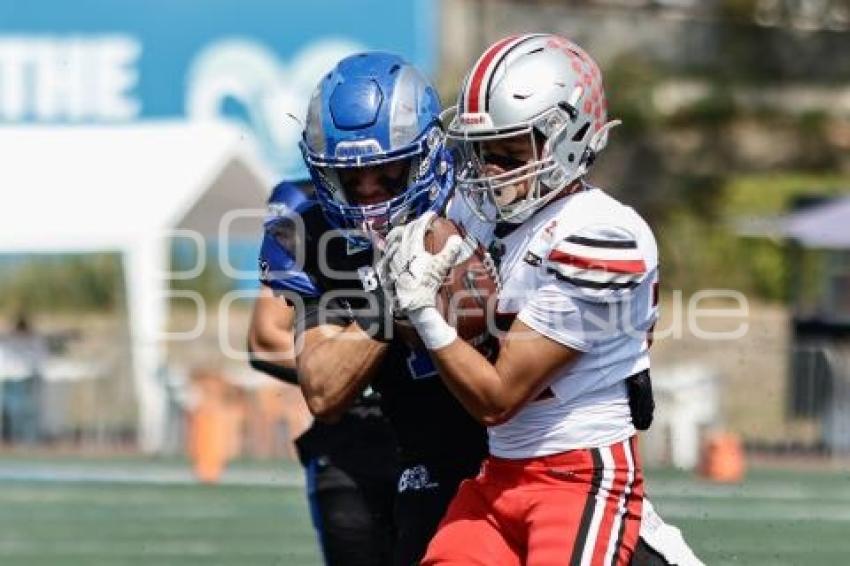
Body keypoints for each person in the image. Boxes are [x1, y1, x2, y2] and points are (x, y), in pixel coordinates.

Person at [379, 33, 693, 565]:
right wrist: (401, 269)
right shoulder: (474, 212)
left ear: (569, 139)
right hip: (497, 474)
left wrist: (422, 309)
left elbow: (498, 399)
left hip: (576, 476)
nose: (492, 172)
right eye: (483, 152)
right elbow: (422, 326)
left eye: (508, 152)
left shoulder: (602, 234)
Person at [290, 51, 489, 566]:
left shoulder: (483, 204)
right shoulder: (319, 233)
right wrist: (395, 300)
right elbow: (322, 389)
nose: (370, 195)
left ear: (426, 155)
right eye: (351, 181)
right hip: (430, 461)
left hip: (534, 449)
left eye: (388, 173)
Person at [249, 181, 398, 566]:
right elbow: (265, 338)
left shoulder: (436, 192)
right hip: (354, 435)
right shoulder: (302, 201)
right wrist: (350, 366)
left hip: (439, 433)